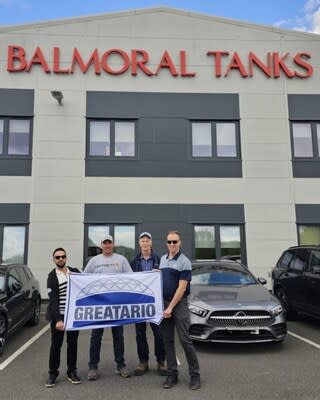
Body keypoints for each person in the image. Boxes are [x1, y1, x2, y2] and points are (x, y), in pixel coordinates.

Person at [84, 234, 133, 381]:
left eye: (109, 243)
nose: (107, 245)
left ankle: (120, 365)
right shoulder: (94, 261)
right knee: (96, 337)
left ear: (113, 245)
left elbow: (131, 278)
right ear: (101, 245)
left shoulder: (121, 260)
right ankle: (93, 367)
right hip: (99, 307)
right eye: (104, 243)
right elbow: (84, 279)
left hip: (116, 306)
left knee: (118, 337)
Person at [159, 230, 201, 390]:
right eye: (169, 242)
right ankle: (172, 375)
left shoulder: (184, 262)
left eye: (174, 242)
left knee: (185, 340)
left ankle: (195, 375)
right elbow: (162, 279)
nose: (171, 245)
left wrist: (170, 307)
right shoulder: (163, 259)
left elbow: (181, 288)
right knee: (167, 341)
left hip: (179, 304)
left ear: (180, 243)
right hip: (164, 304)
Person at [130, 231, 167, 376]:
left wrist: (160, 274)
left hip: (155, 303)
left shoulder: (160, 259)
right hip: (139, 304)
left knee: (159, 333)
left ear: (151, 243)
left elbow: (167, 279)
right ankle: (143, 362)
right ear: (139, 244)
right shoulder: (134, 261)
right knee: (140, 334)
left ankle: (161, 361)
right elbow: (130, 282)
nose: (145, 243)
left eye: (147, 241)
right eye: (142, 241)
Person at [45, 247, 82, 388]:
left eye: (63, 256)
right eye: (57, 257)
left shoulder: (75, 272)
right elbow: (53, 300)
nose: (60, 259)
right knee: (56, 346)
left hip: (73, 316)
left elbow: (88, 283)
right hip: (58, 316)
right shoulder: (52, 276)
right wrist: (59, 320)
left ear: (66, 258)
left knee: (72, 345)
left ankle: (72, 372)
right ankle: (52, 373)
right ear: (54, 259)